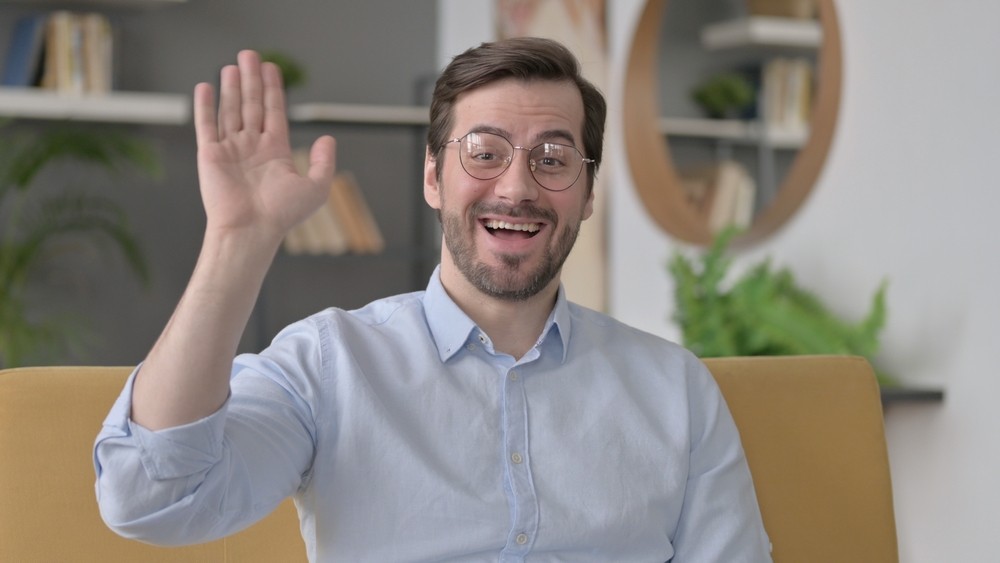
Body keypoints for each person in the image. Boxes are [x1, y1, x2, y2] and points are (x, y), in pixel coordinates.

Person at [94, 37, 771, 562]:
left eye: (553, 158)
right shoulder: (329, 363)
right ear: (433, 177)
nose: (517, 187)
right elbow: (150, 498)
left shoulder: (675, 387)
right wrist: (238, 240)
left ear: (587, 193)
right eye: (484, 152)